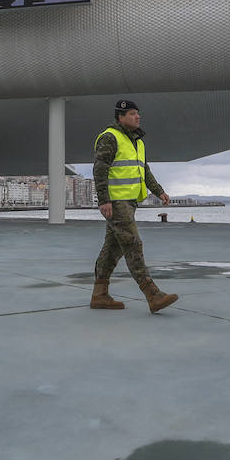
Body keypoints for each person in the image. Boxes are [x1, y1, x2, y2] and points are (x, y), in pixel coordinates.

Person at [89, 99, 178, 313]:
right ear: (120, 117)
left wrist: (159, 191)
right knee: (133, 244)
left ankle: (99, 295)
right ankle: (153, 295)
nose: (137, 117)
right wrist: (104, 200)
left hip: (130, 202)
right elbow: (100, 169)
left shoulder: (137, 141)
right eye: (131, 114)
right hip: (116, 202)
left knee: (112, 250)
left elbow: (143, 170)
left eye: (138, 113)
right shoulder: (110, 137)